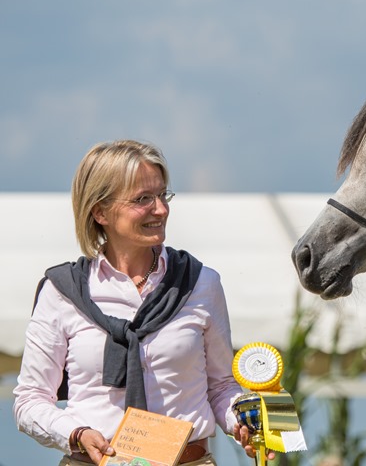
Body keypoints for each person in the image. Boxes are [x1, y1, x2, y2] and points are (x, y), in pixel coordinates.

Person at [14, 140, 274, 465]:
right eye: (143, 199)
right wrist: (76, 432)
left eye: (163, 195)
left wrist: (245, 424)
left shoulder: (201, 283)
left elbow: (220, 386)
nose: (161, 209)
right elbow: (30, 399)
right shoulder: (62, 291)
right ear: (100, 211)